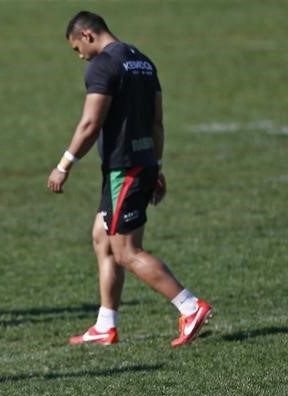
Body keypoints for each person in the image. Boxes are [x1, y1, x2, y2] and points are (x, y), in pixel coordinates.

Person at [47, 11, 213, 347]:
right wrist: (157, 165)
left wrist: (64, 164)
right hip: (142, 163)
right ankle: (105, 325)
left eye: (77, 47)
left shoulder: (103, 66)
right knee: (101, 236)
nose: (79, 56)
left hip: (125, 169)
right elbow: (157, 123)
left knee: (125, 251)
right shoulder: (144, 62)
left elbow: (90, 124)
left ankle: (190, 306)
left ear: (88, 35)